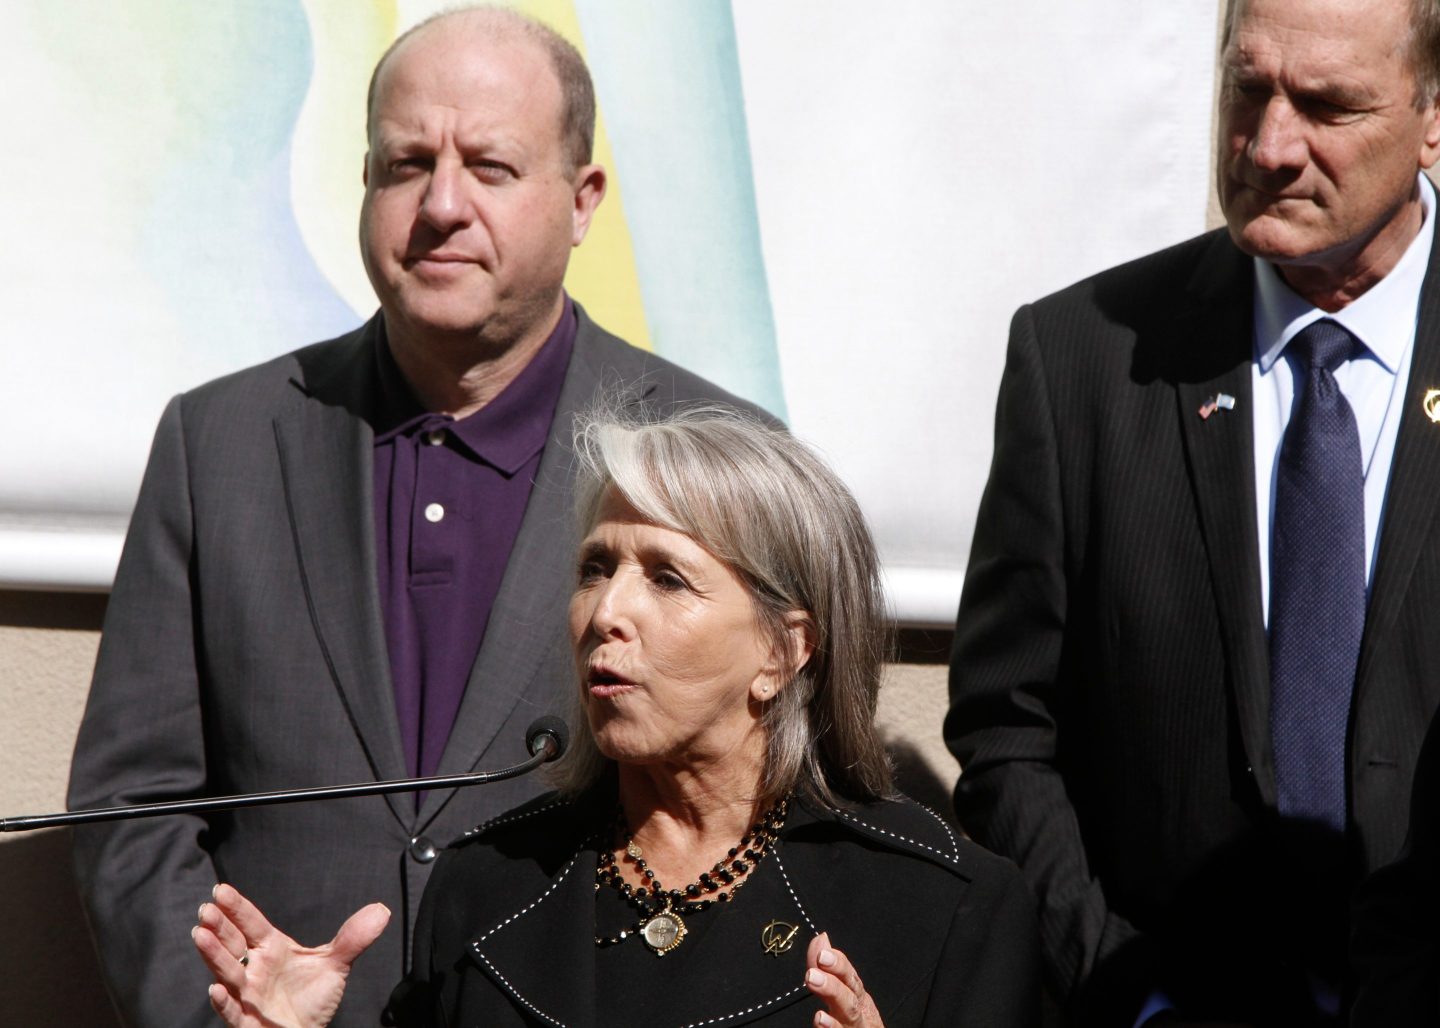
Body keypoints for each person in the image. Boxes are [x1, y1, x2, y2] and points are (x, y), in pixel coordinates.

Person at [67, 8, 764, 1027]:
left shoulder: (712, 455)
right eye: (405, 164)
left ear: (582, 201)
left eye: (490, 166)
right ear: (364, 184)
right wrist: (216, 1013)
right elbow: (134, 804)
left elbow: (756, 811)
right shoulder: (216, 444)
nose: (441, 204)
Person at [189, 407, 1041, 1028]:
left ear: (784, 652)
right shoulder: (486, 885)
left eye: (666, 578)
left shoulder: (945, 907)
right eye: (596, 568)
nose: (605, 613)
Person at [945, 0, 1440, 1023]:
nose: (1270, 145)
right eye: (1247, 89)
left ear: (1433, 116)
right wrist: (1132, 991)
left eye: (1327, 106)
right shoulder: (1080, 361)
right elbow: (1007, 735)